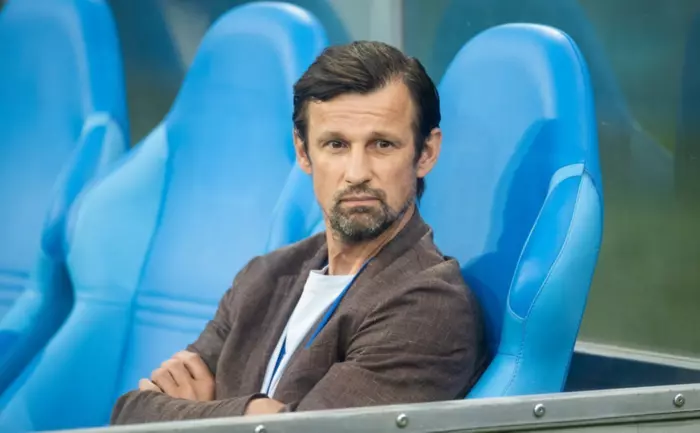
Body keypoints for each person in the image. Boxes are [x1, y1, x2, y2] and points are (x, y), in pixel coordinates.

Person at [111, 40, 487, 425]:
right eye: (336, 144)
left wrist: (202, 413)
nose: (357, 173)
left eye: (382, 144)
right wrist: (257, 412)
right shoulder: (264, 277)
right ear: (304, 152)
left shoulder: (428, 304)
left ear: (425, 153)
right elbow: (130, 414)